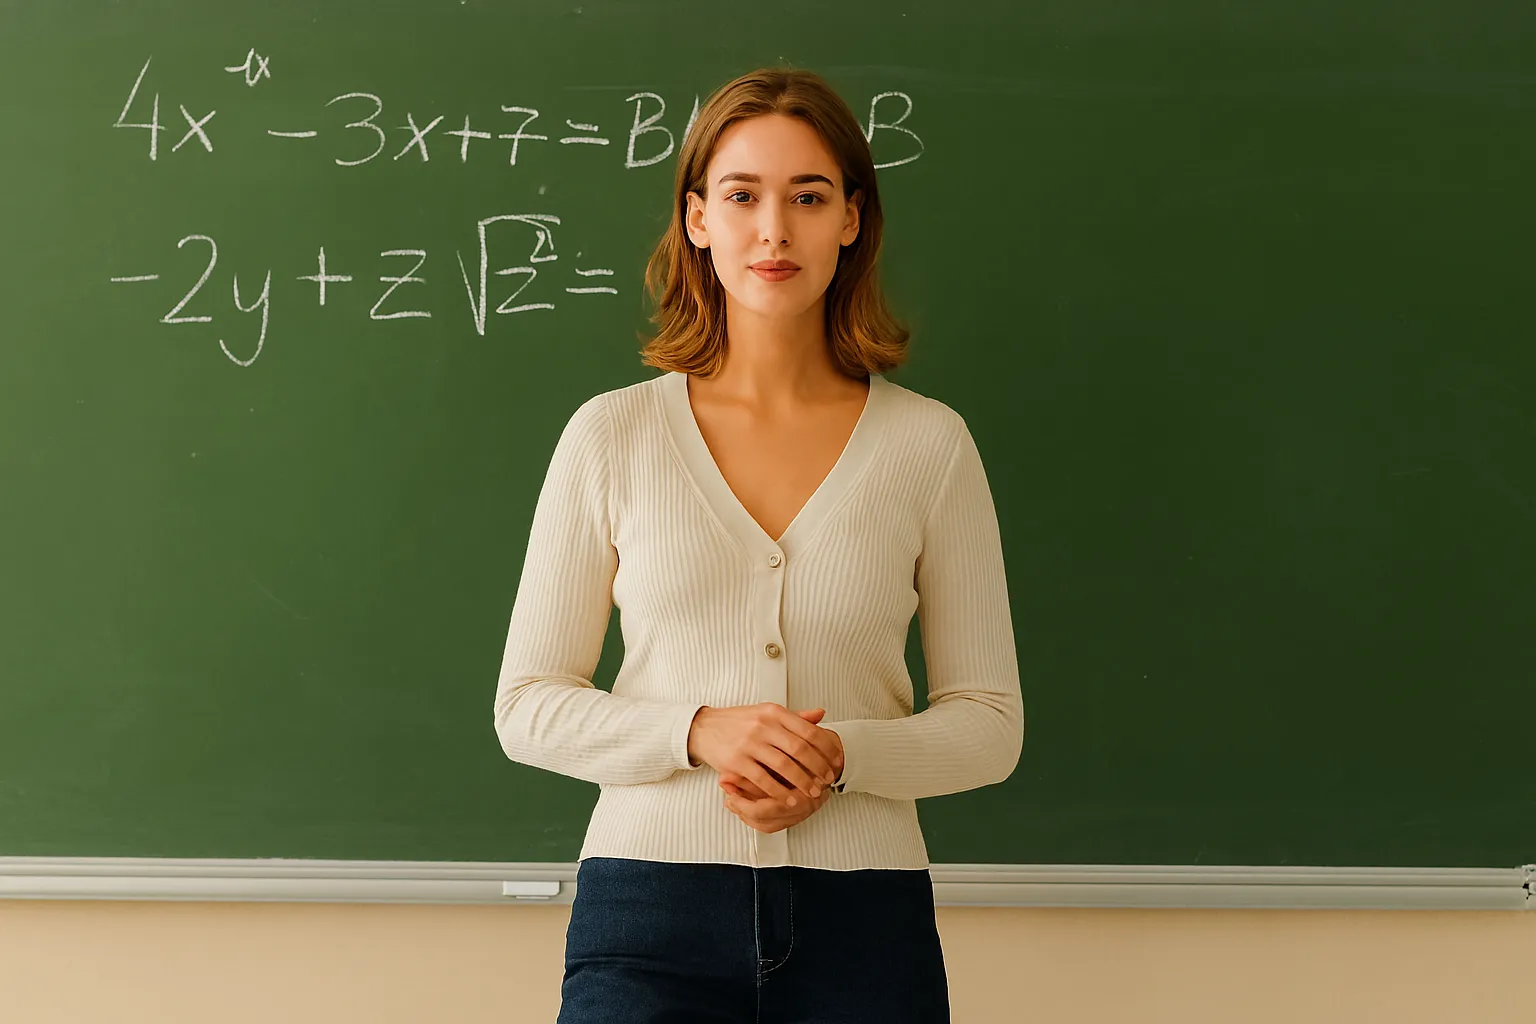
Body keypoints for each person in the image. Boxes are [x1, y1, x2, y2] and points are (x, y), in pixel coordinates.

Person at [493, 66, 1024, 1024]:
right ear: (697, 217)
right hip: (648, 911)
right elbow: (527, 706)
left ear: (851, 220)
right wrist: (697, 732)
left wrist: (833, 757)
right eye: (742, 196)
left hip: (866, 920)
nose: (773, 230)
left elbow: (990, 723)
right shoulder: (612, 436)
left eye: (808, 197)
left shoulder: (928, 445)